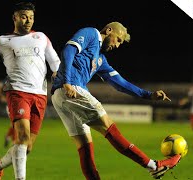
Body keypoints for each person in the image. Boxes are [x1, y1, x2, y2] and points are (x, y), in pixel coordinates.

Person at [51, 22, 181, 180]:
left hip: (60, 96)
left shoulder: (100, 59)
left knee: (84, 145)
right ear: (109, 30)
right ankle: (154, 166)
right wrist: (67, 81)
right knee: (108, 126)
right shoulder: (91, 34)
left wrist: (149, 95)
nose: (118, 45)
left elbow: (121, 83)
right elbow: (68, 50)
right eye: (118, 40)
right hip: (71, 88)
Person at [0, 2, 61, 180]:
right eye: (24, 17)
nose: (28, 21)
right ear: (15, 17)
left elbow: (55, 61)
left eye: (32, 17)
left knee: (27, 146)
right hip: (17, 92)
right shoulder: (3, 40)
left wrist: (58, 72)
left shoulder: (42, 37)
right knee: (22, 137)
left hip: (40, 94)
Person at [0, 79, 15, 148]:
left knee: (15, 123)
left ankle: (8, 136)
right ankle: (14, 141)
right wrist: (1, 97)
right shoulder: (7, 79)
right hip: (10, 104)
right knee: (15, 123)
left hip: (18, 103)